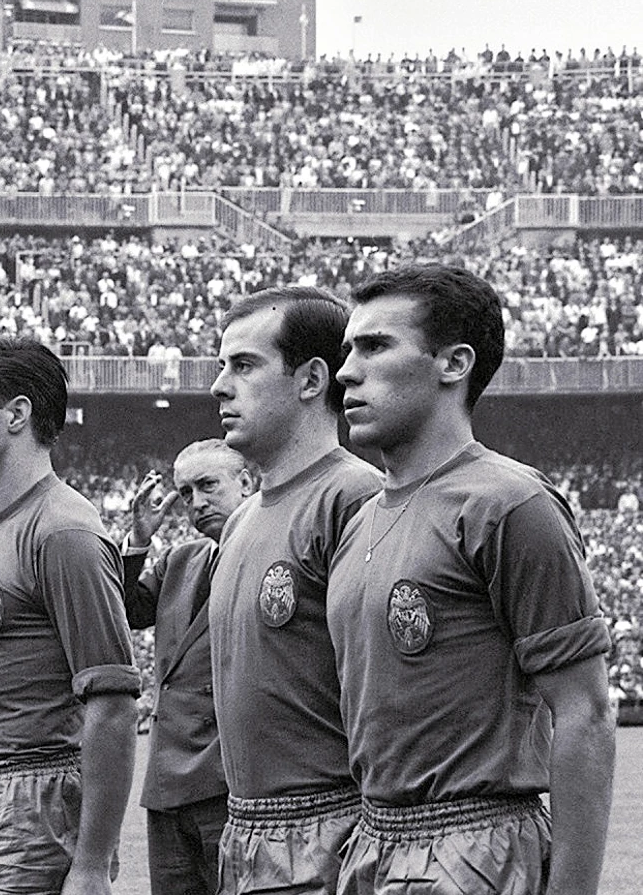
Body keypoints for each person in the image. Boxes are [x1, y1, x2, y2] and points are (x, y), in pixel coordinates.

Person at [331, 265, 615, 894]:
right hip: (369, 845)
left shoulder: (508, 503)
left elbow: (586, 711)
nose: (347, 370)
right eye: (348, 349)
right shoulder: (357, 522)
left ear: (453, 363)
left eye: (375, 346)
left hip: (479, 851)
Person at [0, 334, 139, 895]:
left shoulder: (62, 529)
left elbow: (114, 704)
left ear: (17, 414)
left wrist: (92, 862)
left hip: (37, 805)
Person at [207, 284, 380, 895]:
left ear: (312, 380)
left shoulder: (357, 498)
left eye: (244, 365)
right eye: (221, 365)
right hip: (244, 833)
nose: (219, 386)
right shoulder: (240, 519)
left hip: (331, 834)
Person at [124, 440, 252, 895]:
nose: (197, 503)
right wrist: (138, 541)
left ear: (246, 483)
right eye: (186, 492)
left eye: (208, 486)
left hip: (230, 776)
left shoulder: (271, 552)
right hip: (169, 778)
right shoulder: (182, 559)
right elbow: (127, 610)